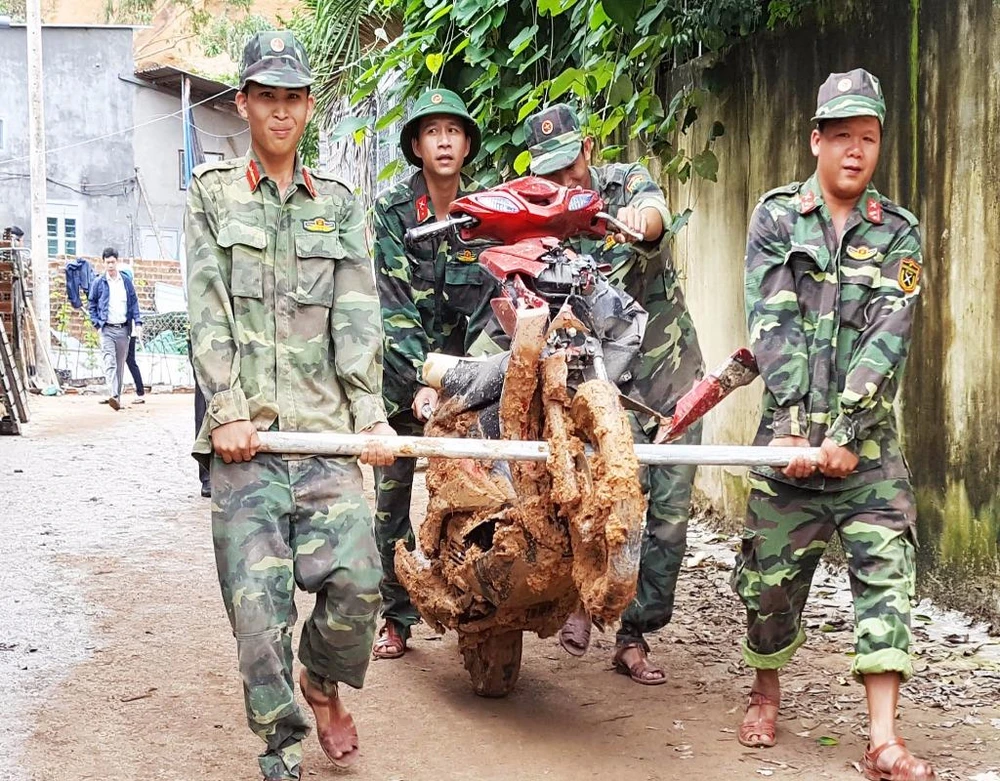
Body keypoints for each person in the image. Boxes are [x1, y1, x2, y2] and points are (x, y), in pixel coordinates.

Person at [185, 31, 395, 780]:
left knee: (360, 583)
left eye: (292, 97)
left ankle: (323, 680)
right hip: (248, 443)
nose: (279, 111)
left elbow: (357, 312)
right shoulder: (212, 194)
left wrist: (370, 413)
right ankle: (282, 747)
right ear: (243, 102)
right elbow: (207, 310)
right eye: (265, 96)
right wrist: (229, 408)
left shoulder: (336, 203)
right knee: (257, 614)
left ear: (308, 107)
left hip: (325, 436)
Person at [734, 69, 934, 781]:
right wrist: (790, 428)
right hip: (786, 443)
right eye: (842, 135)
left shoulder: (900, 233)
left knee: (888, 569)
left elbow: (891, 337)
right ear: (816, 139)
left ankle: (882, 737)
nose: (855, 150)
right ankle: (765, 685)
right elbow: (771, 319)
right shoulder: (776, 218)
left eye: (868, 138)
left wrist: (847, 433)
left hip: (866, 451)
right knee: (768, 585)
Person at [523, 103, 705, 685]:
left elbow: (654, 216)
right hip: (601, 394)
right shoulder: (541, 219)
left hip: (671, 377)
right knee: (604, 507)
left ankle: (635, 634)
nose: (564, 182)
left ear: (589, 150)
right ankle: (585, 599)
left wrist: (627, 219)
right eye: (549, 173)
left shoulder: (624, 182)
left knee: (669, 517)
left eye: (570, 166)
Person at [371, 88, 500, 660]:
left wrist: (472, 384)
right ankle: (396, 617)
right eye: (432, 131)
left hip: (470, 380)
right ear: (416, 145)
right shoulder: (393, 212)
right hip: (405, 376)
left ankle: (478, 607)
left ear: (467, 143)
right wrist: (422, 384)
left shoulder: (489, 211)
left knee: (489, 489)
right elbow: (391, 308)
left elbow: (496, 303)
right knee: (391, 494)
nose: (444, 140)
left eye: (454, 130)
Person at [88, 246, 142, 410]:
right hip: (107, 329)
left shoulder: (125, 282)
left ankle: (116, 397)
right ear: (103, 263)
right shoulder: (99, 282)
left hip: (123, 329)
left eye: (112, 262)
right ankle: (113, 393)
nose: (110, 265)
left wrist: (138, 323)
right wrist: (97, 323)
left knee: (119, 364)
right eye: (107, 262)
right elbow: (92, 304)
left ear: (117, 262)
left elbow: (133, 303)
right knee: (109, 361)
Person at [118, 257, 146, 404]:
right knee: (118, 361)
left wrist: (137, 325)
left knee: (129, 361)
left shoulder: (129, 292)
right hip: (120, 330)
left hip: (130, 331)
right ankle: (115, 393)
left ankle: (140, 392)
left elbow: (135, 311)